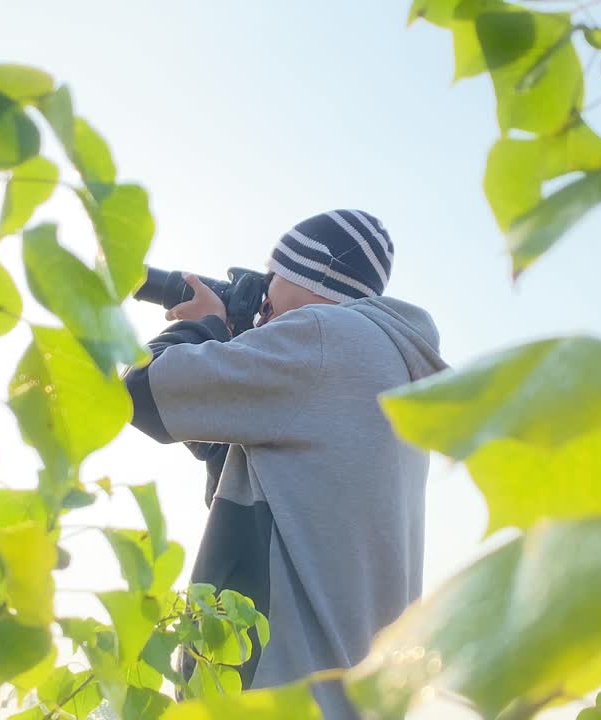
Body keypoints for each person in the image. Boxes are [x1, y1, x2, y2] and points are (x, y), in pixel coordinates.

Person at [123, 209, 448, 718]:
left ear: (307, 275)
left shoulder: (324, 337)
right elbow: (233, 467)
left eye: (274, 277)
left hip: (271, 694)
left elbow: (141, 392)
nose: (265, 299)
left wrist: (205, 325)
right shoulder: (392, 372)